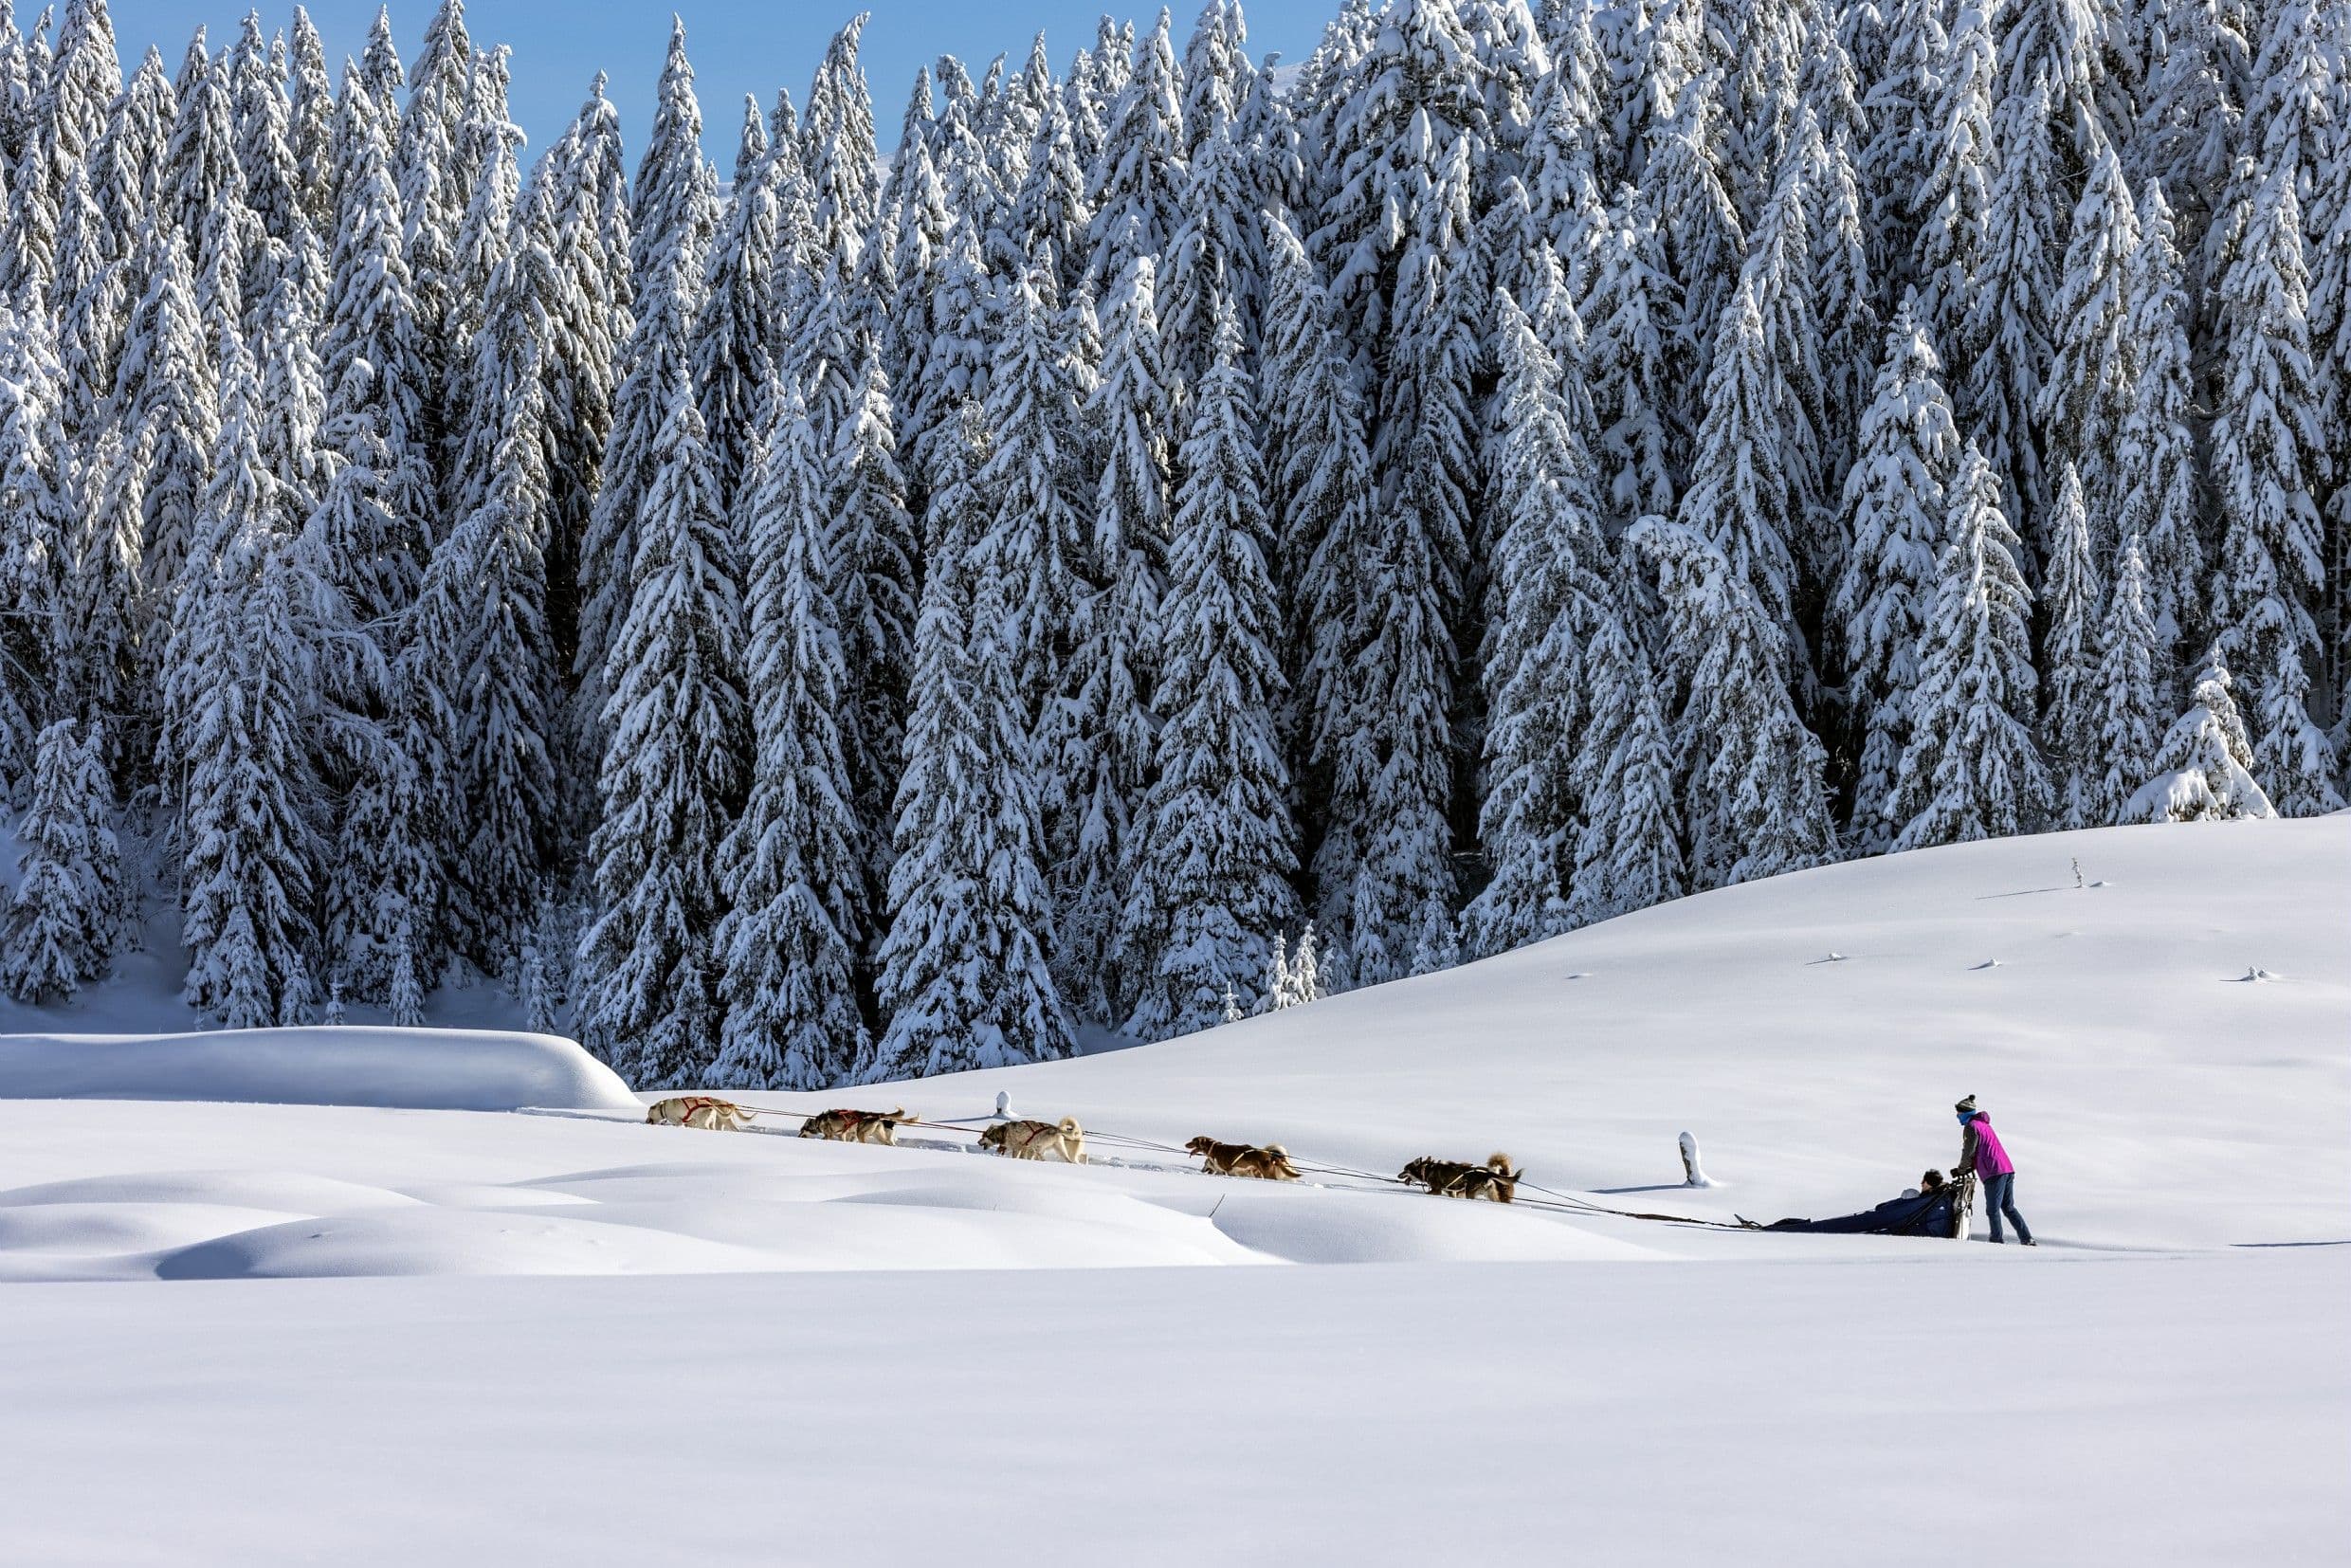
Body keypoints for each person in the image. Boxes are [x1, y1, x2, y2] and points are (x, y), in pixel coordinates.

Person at [1954, 1095, 2034, 1245]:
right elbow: (1983, 1150)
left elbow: (1969, 1151)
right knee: (2008, 1207)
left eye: (1958, 1113)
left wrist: (1961, 1169)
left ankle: (1996, 1240)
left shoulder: (1971, 1127)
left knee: (1992, 1209)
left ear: (1965, 1113)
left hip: (1993, 1171)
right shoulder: (1984, 1125)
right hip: (2006, 1169)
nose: (1957, 1116)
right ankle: (2027, 1238)